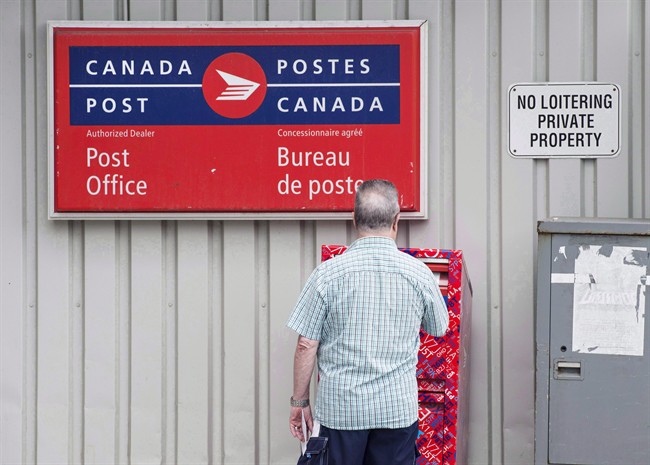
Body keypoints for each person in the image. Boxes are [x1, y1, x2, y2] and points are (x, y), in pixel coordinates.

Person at [287, 179, 449, 465]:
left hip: (341, 412)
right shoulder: (419, 274)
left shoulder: (327, 274)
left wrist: (299, 403)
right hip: (396, 412)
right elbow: (439, 327)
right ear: (396, 221)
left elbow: (305, 344)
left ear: (354, 219)